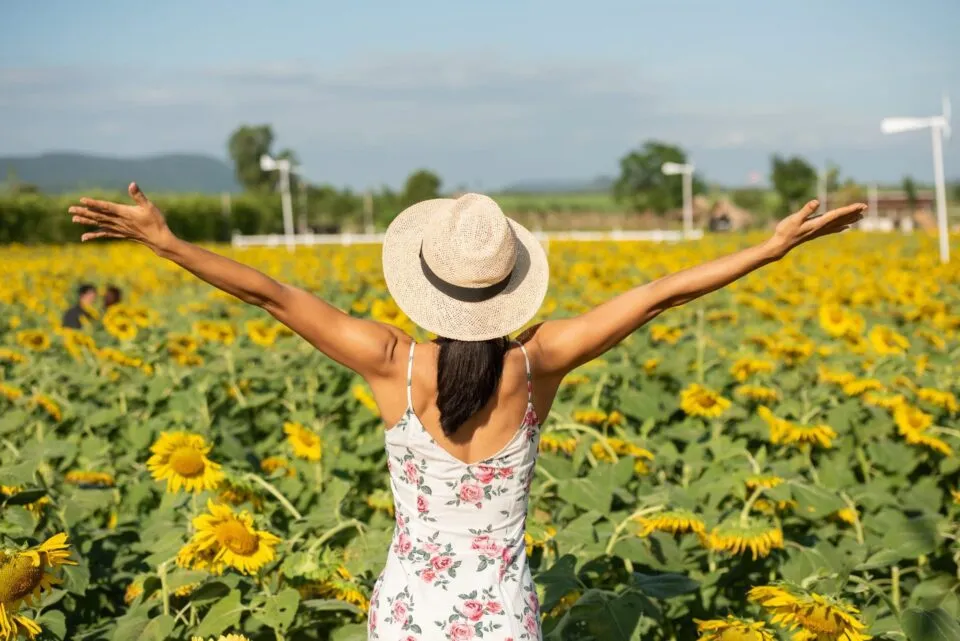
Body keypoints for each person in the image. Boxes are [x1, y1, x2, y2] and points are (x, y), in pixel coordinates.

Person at [68, 183, 865, 641]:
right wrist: (770, 247)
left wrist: (166, 242)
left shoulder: (392, 361)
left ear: (424, 278)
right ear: (511, 285)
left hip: (411, 612)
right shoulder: (536, 362)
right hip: (504, 618)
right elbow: (659, 295)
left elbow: (270, 294)